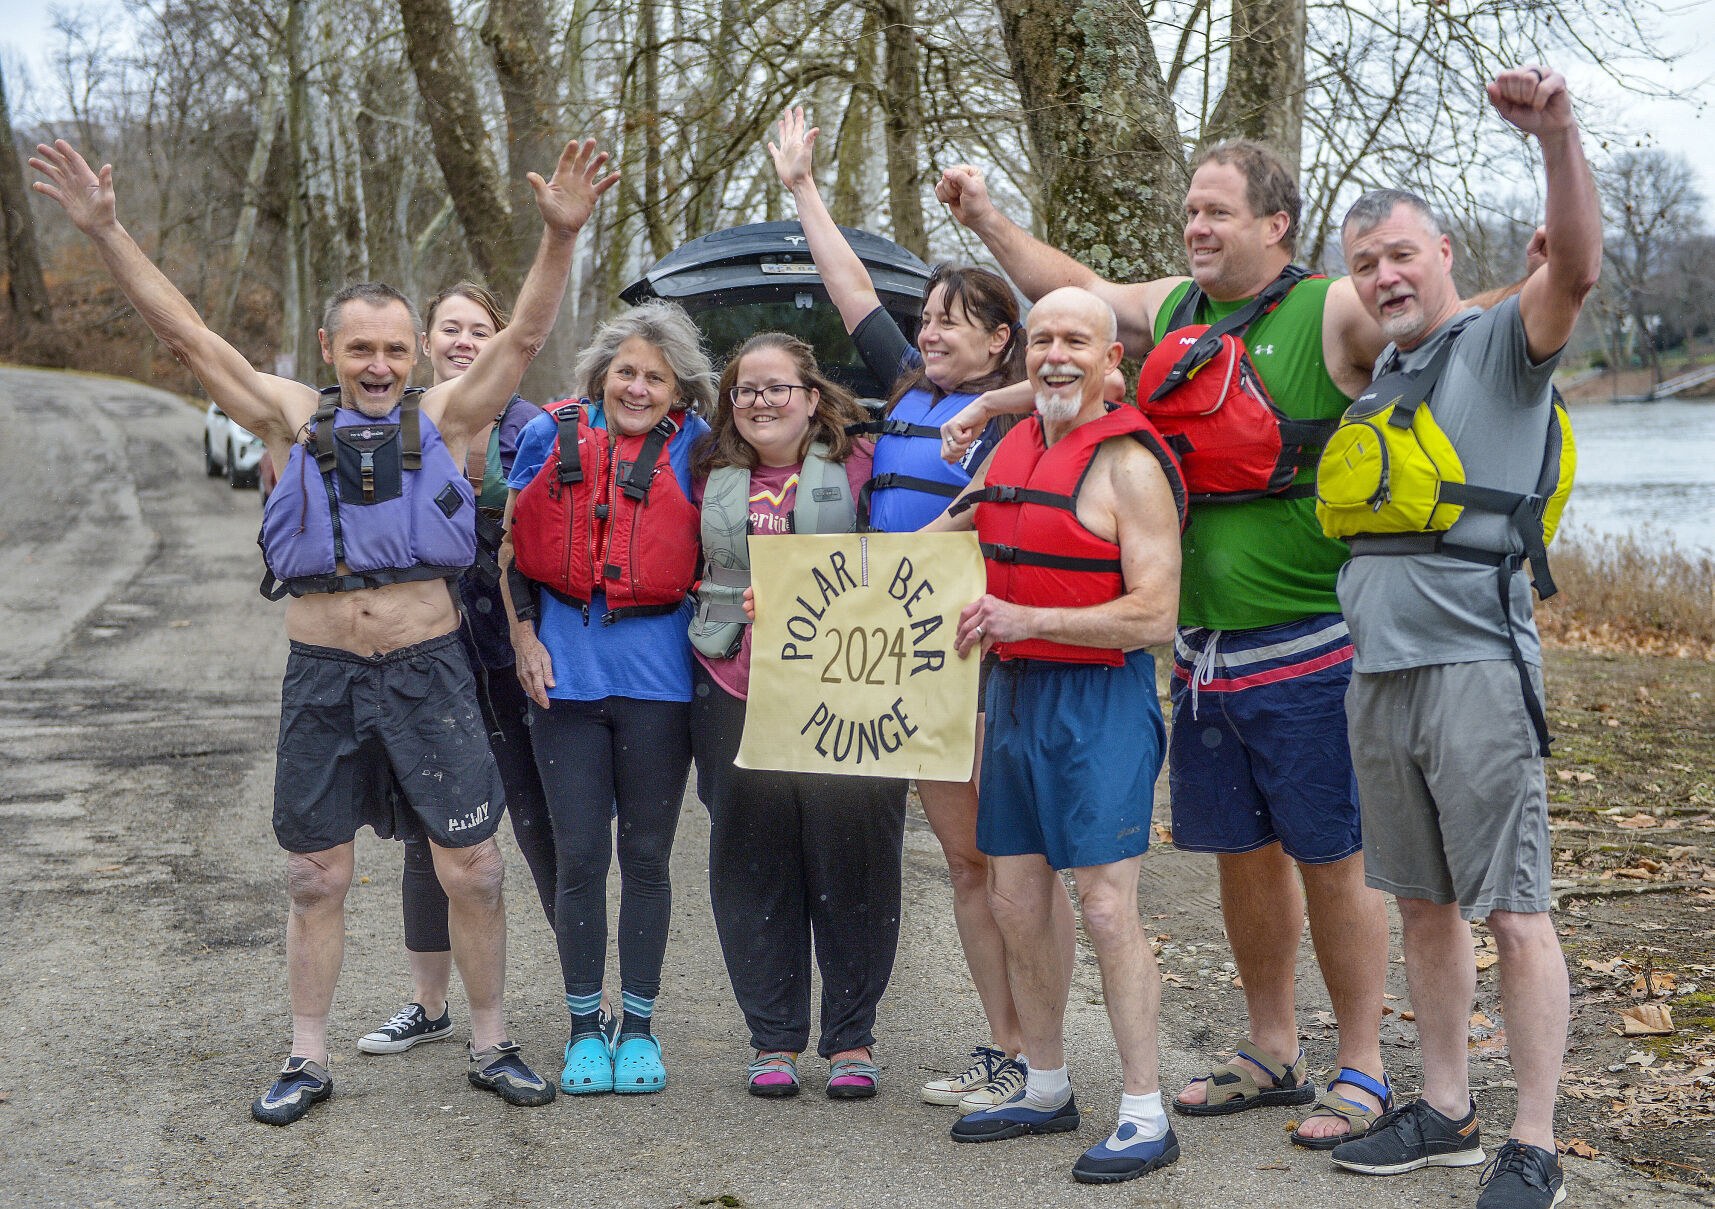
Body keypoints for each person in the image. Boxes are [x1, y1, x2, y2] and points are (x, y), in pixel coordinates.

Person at [30, 136, 618, 1124]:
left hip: (429, 671)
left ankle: (490, 1041)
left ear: (419, 353)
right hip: (323, 675)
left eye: (395, 348)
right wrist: (105, 228)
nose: (379, 364)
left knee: (471, 866)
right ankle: (307, 1058)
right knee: (314, 874)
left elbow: (518, 339)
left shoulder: (449, 418)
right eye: (361, 349)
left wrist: (559, 235)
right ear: (330, 352)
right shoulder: (290, 419)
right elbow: (191, 340)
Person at [936, 141, 1398, 1146]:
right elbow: (1074, 301)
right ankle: (1269, 1048)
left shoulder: (1328, 310)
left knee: (1332, 855)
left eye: (1215, 213)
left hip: (1311, 640)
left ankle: (1362, 1065)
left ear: (1275, 224)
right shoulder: (1177, 311)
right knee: (1241, 853)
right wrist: (980, 217)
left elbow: (1438, 321)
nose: (1193, 228)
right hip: (1204, 655)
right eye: (1189, 211)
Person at [1323, 66, 1600, 1209]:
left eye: (1400, 253)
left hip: (1476, 670)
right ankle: (1440, 1107)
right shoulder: (1375, 383)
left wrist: (1556, 137)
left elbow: (1573, 265)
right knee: (1421, 904)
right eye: (1363, 265)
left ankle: (1531, 1141)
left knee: (1512, 909)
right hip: (1377, 677)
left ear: (1442, 254)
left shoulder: (1497, 349)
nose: (1384, 276)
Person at [766, 106, 1076, 1110]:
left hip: (988, 662)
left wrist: (1003, 402)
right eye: (927, 315)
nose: (928, 327)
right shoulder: (904, 385)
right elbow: (849, 286)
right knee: (962, 863)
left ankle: (1043, 1056)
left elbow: (1081, 377)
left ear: (1001, 342)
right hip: (906, 661)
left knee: (1008, 861)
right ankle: (1001, 1051)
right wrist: (801, 187)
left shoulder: (1033, 407)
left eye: (951, 317)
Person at [923, 287, 1185, 1183]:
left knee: (1107, 904)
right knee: (1015, 898)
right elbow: (945, 532)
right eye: (1041, 340)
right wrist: (820, 586)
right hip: (1015, 694)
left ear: (1114, 359)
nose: (1055, 354)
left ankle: (1145, 1112)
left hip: (1100, 699)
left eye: (1076, 338)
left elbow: (1155, 613)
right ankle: (1044, 1085)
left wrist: (1023, 613)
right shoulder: (1012, 440)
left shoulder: (1128, 465)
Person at [498, 300, 715, 1096]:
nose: (637, 386)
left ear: (678, 390)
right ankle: (585, 1029)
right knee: (581, 855)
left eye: (655, 376)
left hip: (659, 684)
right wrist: (524, 635)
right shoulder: (545, 435)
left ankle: (641, 1027)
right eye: (625, 370)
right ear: (600, 374)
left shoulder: (700, 448)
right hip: (565, 680)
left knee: (649, 857)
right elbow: (511, 547)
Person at [688, 331, 907, 1100]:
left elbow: (906, 554)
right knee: (753, 861)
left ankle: (852, 1037)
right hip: (733, 682)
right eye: (745, 388)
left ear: (811, 397)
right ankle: (771, 1037)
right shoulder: (706, 469)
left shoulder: (866, 464)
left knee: (856, 860)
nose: (759, 402)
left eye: (776, 387)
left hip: (845, 686)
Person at [355, 282, 559, 1056]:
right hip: (424, 657)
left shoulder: (533, 425)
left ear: (499, 338)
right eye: (450, 328)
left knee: (541, 828)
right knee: (428, 837)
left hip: (510, 649)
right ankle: (428, 1003)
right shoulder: (391, 425)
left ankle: (584, 1004)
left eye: (480, 328)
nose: (464, 341)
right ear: (427, 340)